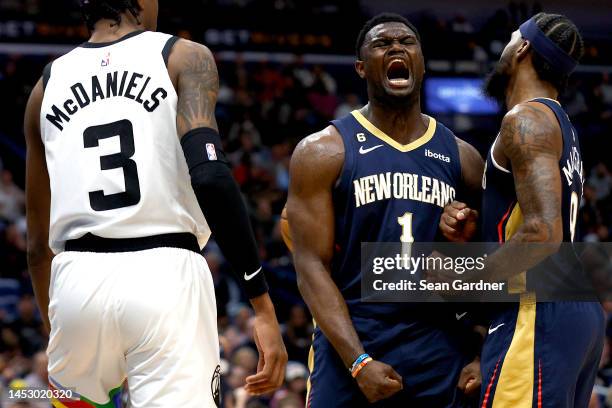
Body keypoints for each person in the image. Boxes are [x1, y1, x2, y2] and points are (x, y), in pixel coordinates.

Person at [23, 1, 287, 406]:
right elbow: (212, 177)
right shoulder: (183, 56)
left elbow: (37, 246)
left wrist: (60, 325)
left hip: (74, 279)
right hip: (165, 273)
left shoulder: (44, 87)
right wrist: (262, 305)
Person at [285, 12, 484, 407]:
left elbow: (491, 264)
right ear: (361, 68)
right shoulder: (322, 151)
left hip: (439, 345)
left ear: (422, 64)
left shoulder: (463, 158)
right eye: (381, 44)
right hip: (354, 338)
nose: (396, 47)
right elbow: (310, 267)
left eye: (407, 42)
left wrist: (480, 350)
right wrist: (358, 361)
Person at [438, 12, 605, 408]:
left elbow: (543, 233)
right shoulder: (559, 122)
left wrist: (467, 278)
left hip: (536, 308)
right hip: (567, 306)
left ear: (523, 48)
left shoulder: (525, 118)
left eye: (511, 39)